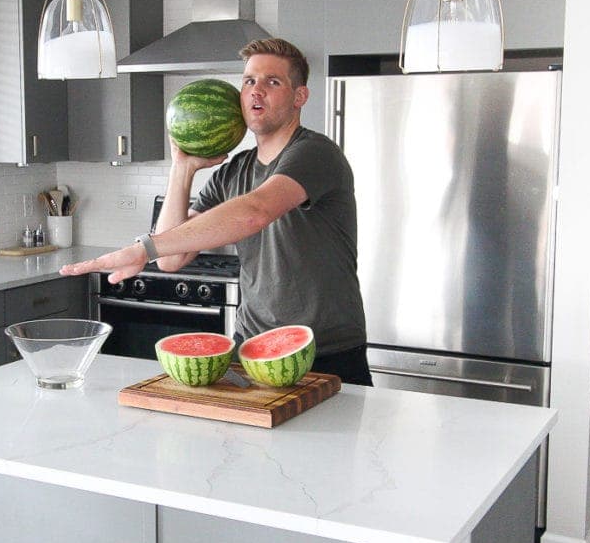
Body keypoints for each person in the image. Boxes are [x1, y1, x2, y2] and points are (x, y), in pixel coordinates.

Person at [60, 37, 371, 385]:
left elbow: (256, 211)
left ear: (300, 96)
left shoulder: (315, 153)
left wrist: (144, 247)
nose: (256, 91)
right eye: (249, 81)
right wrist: (183, 168)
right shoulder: (233, 171)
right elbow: (171, 260)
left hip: (326, 352)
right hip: (252, 350)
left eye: (273, 82)